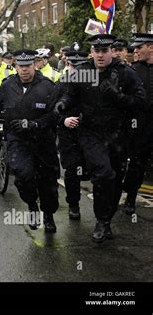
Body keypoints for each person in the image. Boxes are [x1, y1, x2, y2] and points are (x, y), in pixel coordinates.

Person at [55, 34, 145, 242]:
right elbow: (70, 94)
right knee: (103, 174)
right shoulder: (83, 72)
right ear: (92, 52)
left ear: (111, 51)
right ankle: (101, 219)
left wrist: (118, 97)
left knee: (115, 180)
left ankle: (106, 220)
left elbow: (140, 102)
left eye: (105, 51)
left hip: (119, 135)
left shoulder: (125, 73)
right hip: (91, 133)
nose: (101, 55)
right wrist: (63, 105)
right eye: (97, 51)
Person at [0, 50, 60, 233]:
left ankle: (48, 215)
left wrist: (34, 124)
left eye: (28, 66)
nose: (24, 70)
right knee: (22, 175)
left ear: (34, 65)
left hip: (43, 141)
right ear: (15, 66)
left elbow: (54, 115)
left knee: (48, 182)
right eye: (20, 66)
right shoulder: (8, 85)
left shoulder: (48, 86)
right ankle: (32, 205)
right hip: (18, 140)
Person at [53, 48, 89, 220]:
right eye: (73, 65)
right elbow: (52, 110)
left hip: (90, 133)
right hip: (68, 134)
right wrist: (63, 120)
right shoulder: (62, 84)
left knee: (95, 170)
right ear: (68, 64)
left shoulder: (93, 83)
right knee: (72, 169)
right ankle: (73, 204)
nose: (77, 69)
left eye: (80, 65)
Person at [122, 33, 153, 215]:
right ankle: (131, 198)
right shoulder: (132, 71)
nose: (135, 51)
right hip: (139, 126)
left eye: (139, 47)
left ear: (150, 46)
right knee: (136, 164)